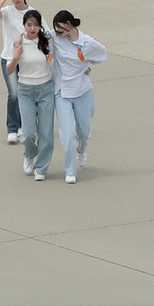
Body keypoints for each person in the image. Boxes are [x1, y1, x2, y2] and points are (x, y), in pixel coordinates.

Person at [50, 9, 105, 184]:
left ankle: (81, 150)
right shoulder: (55, 38)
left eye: (61, 29)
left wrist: (87, 65)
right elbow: (37, 33)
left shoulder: (88, 42)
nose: (59, 33)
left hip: (82, 91)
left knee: (83, 131)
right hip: (62, 93)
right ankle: (70, 170)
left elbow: (101, 55)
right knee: (66, 134)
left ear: (69, 24)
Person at [7, 7, 54, 179]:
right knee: (27, 133)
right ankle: (29, 155)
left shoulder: (46, 41)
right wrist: (15, 57)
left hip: (46, 89)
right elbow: (10, 69)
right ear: (24, 26)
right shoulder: (19, 44)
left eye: (35, 25)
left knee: (46, 134)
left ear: (40, 26)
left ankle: (41, 168)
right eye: (29, 25)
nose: (32, 28)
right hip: (25, 90)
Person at [0, 0, 30, 142]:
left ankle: (23, 126)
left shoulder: (33, 13)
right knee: (13, 93)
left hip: (27, 60)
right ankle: (12, 128)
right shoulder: (7, 11)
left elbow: (44, 33)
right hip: (8, 58)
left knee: (25, 94)